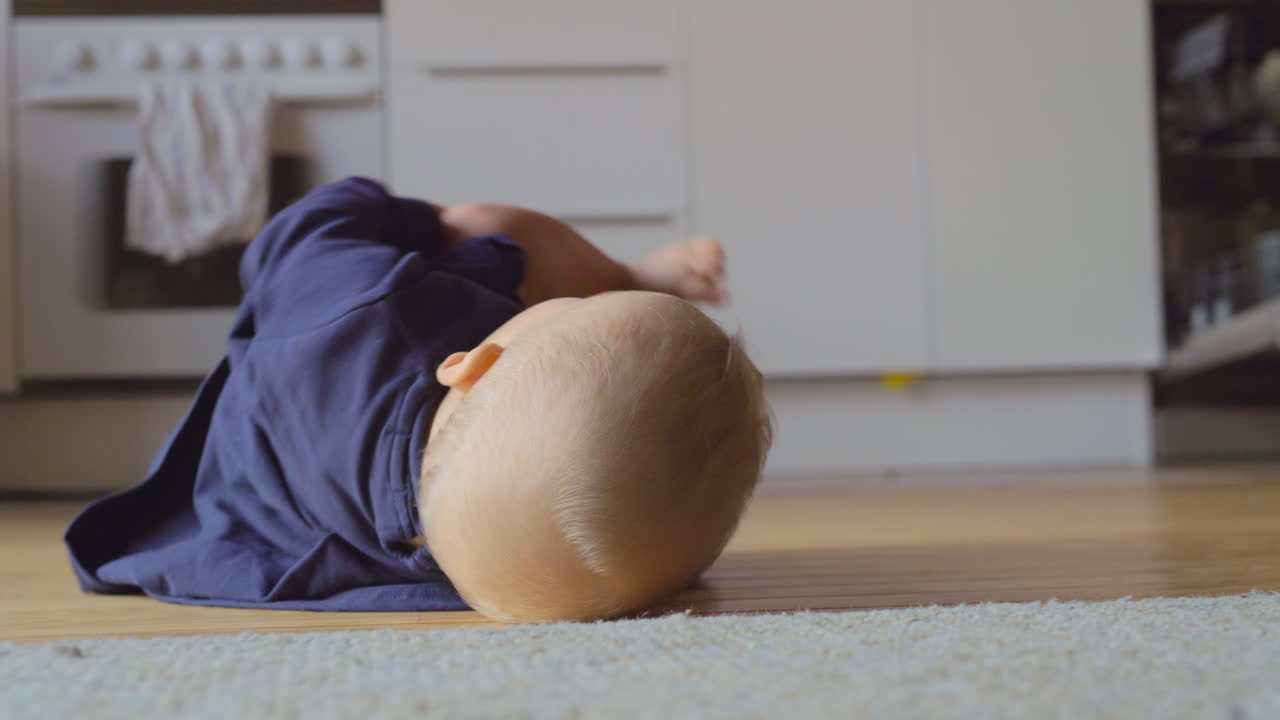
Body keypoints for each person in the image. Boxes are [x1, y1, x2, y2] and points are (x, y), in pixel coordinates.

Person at [65, 177, 772, 621]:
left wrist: (383, 210)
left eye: (572, 309)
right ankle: (632, 280)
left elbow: (292, 241)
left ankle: (623, 276)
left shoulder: (376, 305)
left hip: (257, 447)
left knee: (481, 225)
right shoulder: (495, 565)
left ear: (468, 365)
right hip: (277, 512)